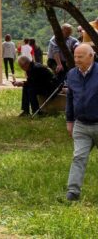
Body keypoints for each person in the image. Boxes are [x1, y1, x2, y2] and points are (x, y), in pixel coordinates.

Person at [65, 43, 98, 201]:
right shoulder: (71, 74)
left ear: (91, 56)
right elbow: (70, 99)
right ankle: (73, 192)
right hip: (81, 124)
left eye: (80, 56)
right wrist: (69, 120)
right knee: (78, 157)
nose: (76, 60)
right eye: (75, 56)